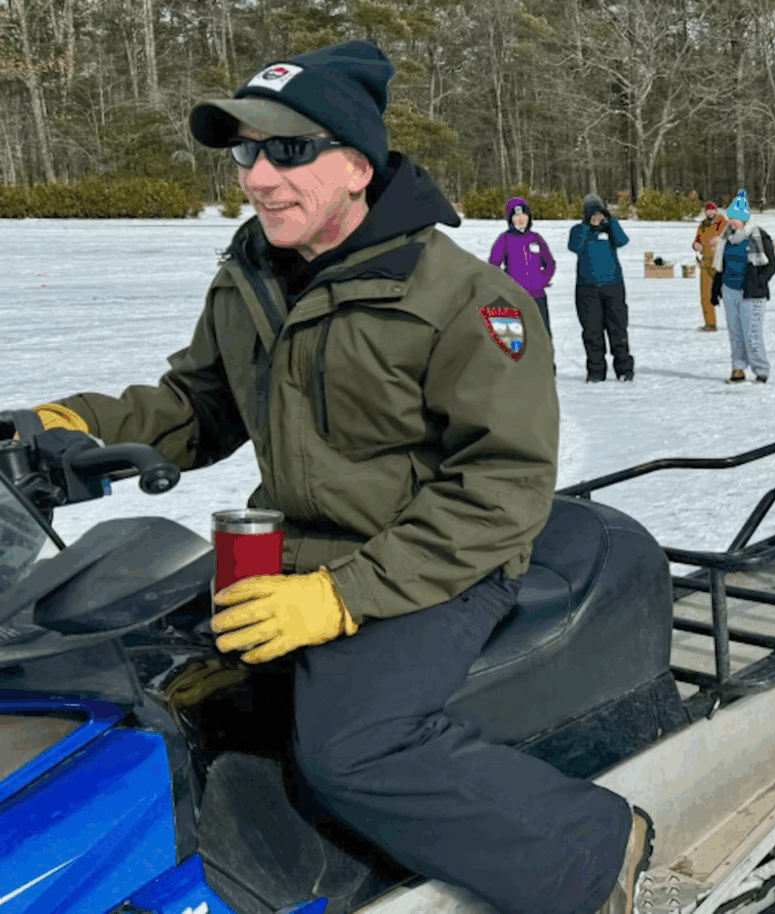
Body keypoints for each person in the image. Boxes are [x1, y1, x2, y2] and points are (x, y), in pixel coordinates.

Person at [25, 39, 651, 914]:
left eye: (288, 151)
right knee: (150, 682)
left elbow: (501, 489)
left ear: (358, 165)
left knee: (354, 746)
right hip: (292, 554)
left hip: (436, 565)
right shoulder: (254, 276)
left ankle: (595, 849)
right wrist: (78, 424)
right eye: (247, 153)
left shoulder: (465, 299)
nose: (258, 177)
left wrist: (342, 598)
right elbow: (199, 405)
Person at [710, 190, 775, 383]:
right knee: (735, 332)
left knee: (752, 333)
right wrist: (716, 289)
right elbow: (721, 265)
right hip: (729, 289)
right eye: (730, 218)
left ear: (744, 219)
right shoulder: (727, 238)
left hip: (751, 293)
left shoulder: (759, 237)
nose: (731, 222)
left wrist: (757, 283)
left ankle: (761, 369)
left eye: (735, 219)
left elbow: (771, 266)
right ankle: (738, 368)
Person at [568, 193, 633, 382]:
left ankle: (624, 370)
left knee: (618, 329)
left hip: (613, 286)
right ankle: (596, 372)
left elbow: (622, 241)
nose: (596, 218)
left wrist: (611, 221)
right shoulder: (579, 230)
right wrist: (587, 226)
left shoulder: (610, 229)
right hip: (587, 289)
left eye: (599, 213)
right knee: (592, 332)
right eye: (592, 214)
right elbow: (575, 246)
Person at [488, 196, 557, 371]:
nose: (521, 219)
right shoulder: (504, 239)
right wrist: (507, 285)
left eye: (524, 215)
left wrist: (542, 280)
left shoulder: (536, 238)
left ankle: (547, 370)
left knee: (542, 334)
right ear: (510, 219)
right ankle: (521, 373)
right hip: (515, 298)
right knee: (517, 338)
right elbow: (493, 266)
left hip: (537, 296)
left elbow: (549, 264)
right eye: (516, 216)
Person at [692, 201, 728, 331]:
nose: (710, 212)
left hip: (721, 263)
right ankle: (710, 324)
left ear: (716, 211)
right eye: (708, 210)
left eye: (712, 210)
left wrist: (720, 240)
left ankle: (740, 323)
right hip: (706, 263)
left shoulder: (723, 223)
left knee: (729, 295)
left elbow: (731, 238)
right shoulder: (702, 225)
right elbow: (697, 239)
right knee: (705, 295)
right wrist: (696, 245)